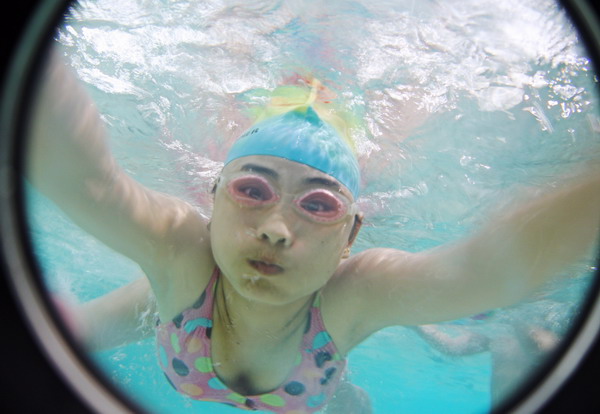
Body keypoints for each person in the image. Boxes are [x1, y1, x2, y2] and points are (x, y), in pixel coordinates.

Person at [28, 47, 600, 414]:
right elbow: (88, 181)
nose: (276, 229)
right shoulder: (184, 251)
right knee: (55, 339)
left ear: (350, 237)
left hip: (308, 388)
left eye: (319, 205)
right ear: (213, 201)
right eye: (252, 191)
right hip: (185, 308)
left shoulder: (354, 295)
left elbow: (482, 272)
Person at [412, 313, 561, 411]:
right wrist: (414, 323)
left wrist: (515, 315)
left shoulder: (533, 328)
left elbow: (551, 349)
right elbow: (453, 348)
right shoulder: (495, 332)